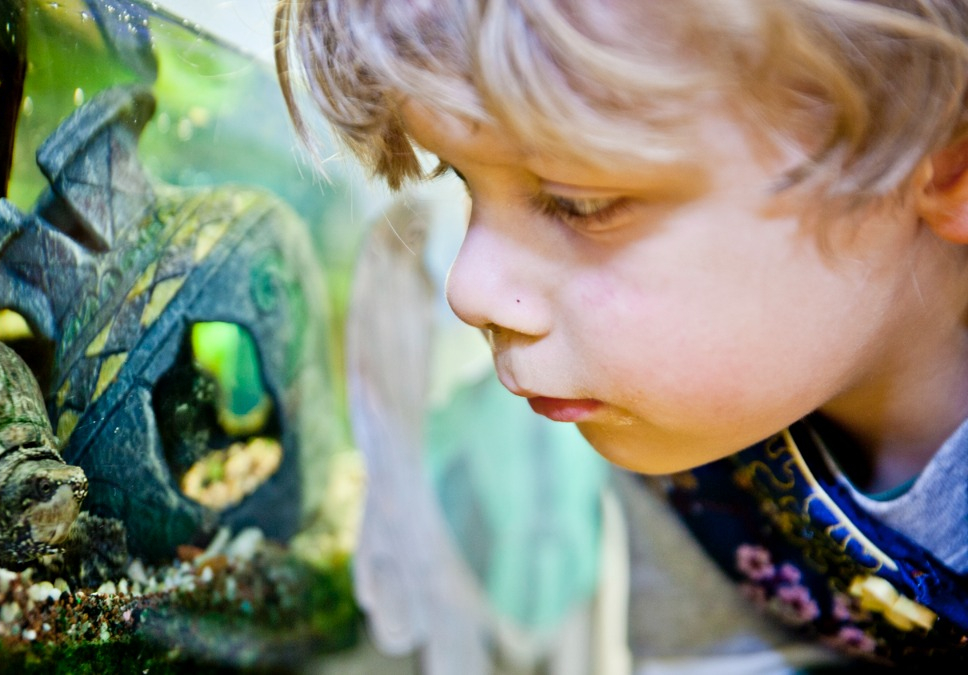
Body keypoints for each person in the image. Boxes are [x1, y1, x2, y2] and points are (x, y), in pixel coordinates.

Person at [275, 0, 968, 670]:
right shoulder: (690, 431)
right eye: (463, 179)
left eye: (580, 202)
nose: (470, 287)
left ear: (944, 166)